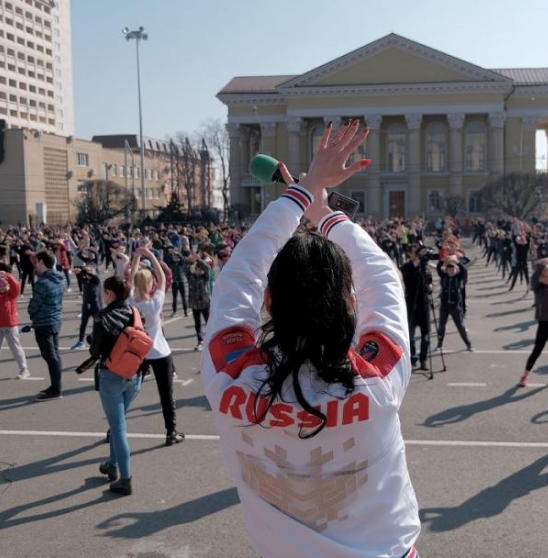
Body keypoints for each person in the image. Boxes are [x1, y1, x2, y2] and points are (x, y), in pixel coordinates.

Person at [201, 120, 420, 557]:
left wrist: (301, 195)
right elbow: (383, 278)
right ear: (349, 301)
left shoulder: (231, 380)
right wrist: (323, 211)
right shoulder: (374, 380)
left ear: (267, 300)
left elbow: (238, 274)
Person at [89, 275, 142, 496]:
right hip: (134, 374)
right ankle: (112, 463)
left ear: (110, 293)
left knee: (118, 429)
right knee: (117, 423)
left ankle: (126, 478)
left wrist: (94, 342)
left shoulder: (104, 316)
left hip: (112, 376)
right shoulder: (134, 312)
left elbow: (96, 351)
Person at [129, 244, 186, 446]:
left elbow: (130, 277)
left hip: (138, 352)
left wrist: (137, 256)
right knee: (166, 395)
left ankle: (115, 427)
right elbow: (162, 278)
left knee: (129, 390)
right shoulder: (154, 304)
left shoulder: (131, 302)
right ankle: (171, 432)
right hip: (159, 353)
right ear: (149, 283)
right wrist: (150, 255)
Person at [519, 258, 548, 388]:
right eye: (546, 274)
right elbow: (534, 276)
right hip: (544, 322)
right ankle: (525, 375)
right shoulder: (537, 287)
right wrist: (542, 264)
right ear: (541, 275)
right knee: (537, 350)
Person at [27, 251, 65, 400]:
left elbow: (34, 305)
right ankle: (56, 385)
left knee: (50, 356)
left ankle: (56, 389)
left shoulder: (42, 283)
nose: (35, 265)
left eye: (36, 262)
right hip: (55, 320)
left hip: (44, 322)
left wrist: (31, 312)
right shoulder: (59, 278)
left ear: (42, 262)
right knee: (54, 354)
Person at [0, 263, 29, 379]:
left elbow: (16, 286)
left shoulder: (12, 295)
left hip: (10, 324)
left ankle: (24, 369)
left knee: (15, 347)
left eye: (5, 285)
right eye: (0, 286)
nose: (3, 287)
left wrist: (7, 275)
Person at [401, 246, 432, 370]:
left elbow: (429, 282)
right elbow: (406, 278)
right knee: (411, 337)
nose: (419, 255)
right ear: (410, 254)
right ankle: (413, 358)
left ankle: (423, 359)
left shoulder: (425, 268)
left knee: (426, 336)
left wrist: (430, 287)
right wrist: (416, 264)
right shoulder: (406, 267)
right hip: (411, 306)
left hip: (424, 306)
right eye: (416, 253)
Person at [436, 255, 473, 353]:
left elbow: (464, 270)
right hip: (444, 306)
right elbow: (438, 268)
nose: (451, 271)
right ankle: (439, 344)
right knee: (441, 326)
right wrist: (444, 260)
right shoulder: (444, 277)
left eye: (453, 269)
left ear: (455, 269)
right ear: (446, 270)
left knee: (460, 326)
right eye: (449, 269)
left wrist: (457, 262)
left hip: (455, 306)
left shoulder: (459, 277)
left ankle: (468, 344)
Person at [185, 254, 213, 352]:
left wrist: (199, 260)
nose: (199, 271)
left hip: (205, 303)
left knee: (209, 322)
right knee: (197, 324)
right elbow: (186, 268)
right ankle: (200, 341)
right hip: (195, 304)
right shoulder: (190, 277)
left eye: (201, 269)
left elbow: (207, 268)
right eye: (197, 269)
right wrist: (190, 260)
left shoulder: (205, 277)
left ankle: (211, 339)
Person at [71, 265, 102, 351]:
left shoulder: (95, 280)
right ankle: (80, 342)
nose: (87, 273)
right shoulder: (85, 280)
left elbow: (96, 278)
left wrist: (86, 271)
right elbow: (80, 277)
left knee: (97, 325)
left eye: (89, 271)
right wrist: (78, 272)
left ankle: (97, 343)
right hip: (86, 305)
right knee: (83, 324)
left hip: (95, 305)